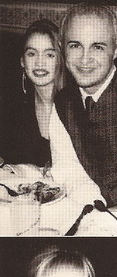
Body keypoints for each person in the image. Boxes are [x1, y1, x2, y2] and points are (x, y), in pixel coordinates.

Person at [55, 5, 117, 232]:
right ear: (62, 48)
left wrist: (109, 217)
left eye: (97, 47)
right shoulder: (63, 101)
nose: (85, 59)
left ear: (116, 49)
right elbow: (67, 168)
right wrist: (93, 210)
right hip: (94, 216)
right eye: (75, 45)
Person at [6, 21, 64, 168]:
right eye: (32, 54)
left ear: (60, 60)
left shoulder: (75, 108)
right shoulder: (15, 110)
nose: (39, 63)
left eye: (49, 55)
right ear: (22, 61)